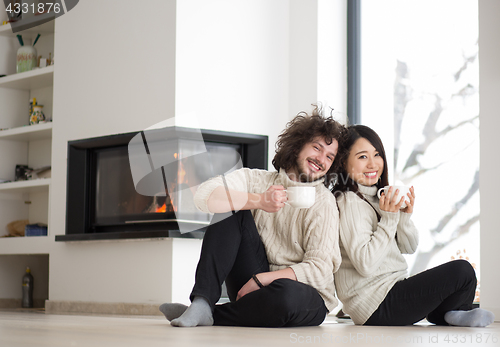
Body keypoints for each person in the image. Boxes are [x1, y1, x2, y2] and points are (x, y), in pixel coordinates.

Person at [159, 106, 347, 327]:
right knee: (230, 204)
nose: (321, 159)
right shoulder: (255, 179)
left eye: (329, 157)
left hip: (302, 293)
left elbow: (319, 269)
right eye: (316, 148)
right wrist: (258, 201)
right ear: (297, 146)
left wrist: (262, 279)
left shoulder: (323, 201)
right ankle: (202, 302)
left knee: (286, 296)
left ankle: (211, 313)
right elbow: (204, 196)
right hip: (251, 279)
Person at [332, 124, 494, 327]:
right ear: (343, 162)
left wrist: (403, 218)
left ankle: (448, 314)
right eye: (362, 157)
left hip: (392, 292)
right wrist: (390, 219)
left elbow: (409, 248)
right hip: (375, 305)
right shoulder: (348, 201)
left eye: (377, 155)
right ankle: (453, 312)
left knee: (466, 275)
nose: (373, 164)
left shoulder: (376, 197)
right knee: (461, 271)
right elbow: (366, 264)